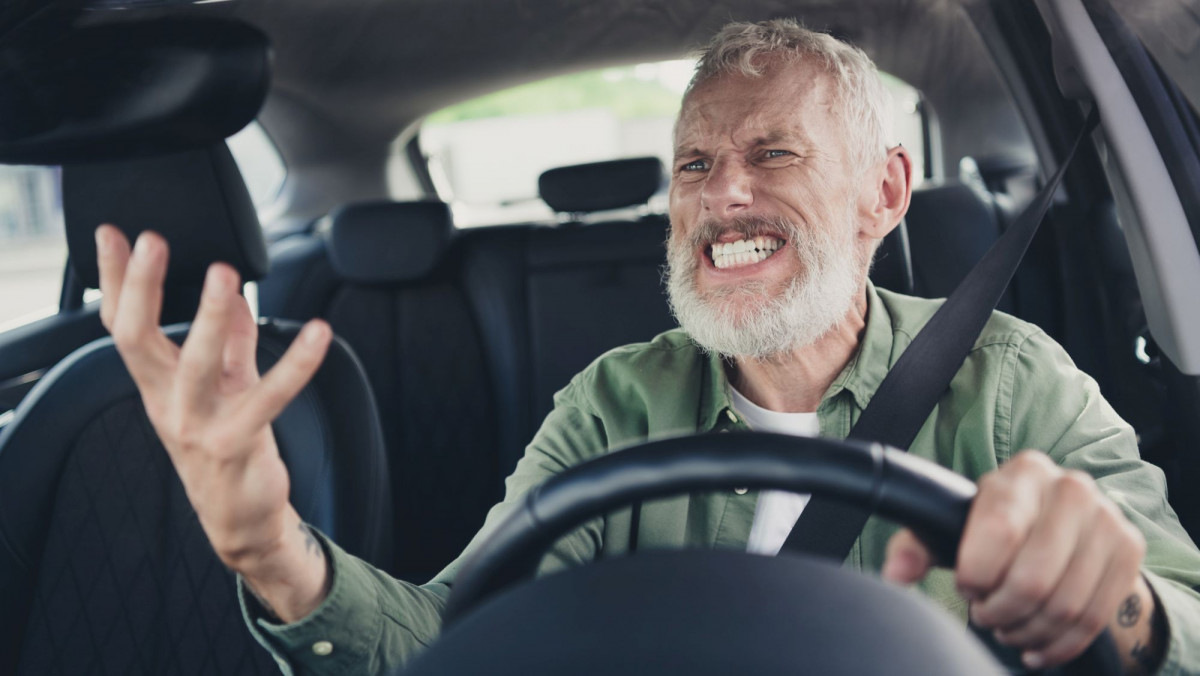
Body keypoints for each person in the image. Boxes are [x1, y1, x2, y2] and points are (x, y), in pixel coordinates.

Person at [92, 19, 1200, 676]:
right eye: (695, 166)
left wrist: (1117, 604)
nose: (726, 194)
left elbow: (1178, 613)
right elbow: (453, 637)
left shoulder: (1010, 377)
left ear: (884, 195)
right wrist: (275, 552)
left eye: (773, 154)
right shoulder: (611, 405)